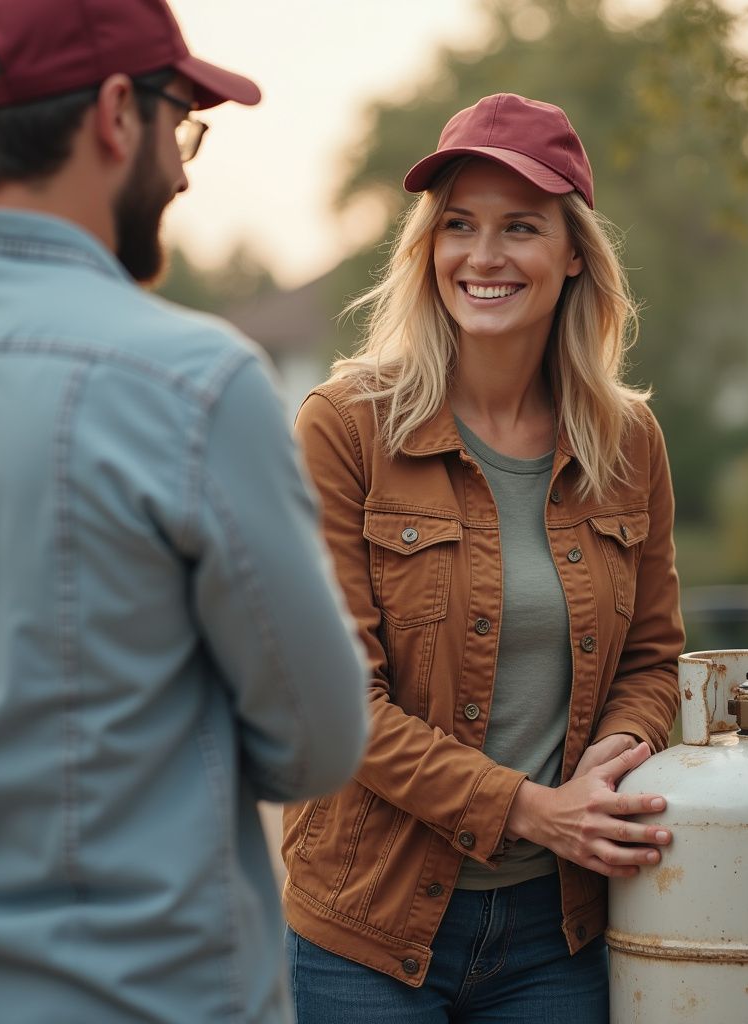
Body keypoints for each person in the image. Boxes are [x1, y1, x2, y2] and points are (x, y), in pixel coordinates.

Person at [0, 1, 369, 1021]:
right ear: (116, 114)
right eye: (180, 122)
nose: (186, 168)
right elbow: (318, 745)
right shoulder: (190, 382)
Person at [283, 93, 685, 1023]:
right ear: (428, 246)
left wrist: (623, 750)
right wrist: (534, 809)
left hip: (561, 931)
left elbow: (653, 658)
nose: (484, 256)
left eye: (521, 227)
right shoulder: (347, 430)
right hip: (368, 928)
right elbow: (340, 703)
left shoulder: (629, 442)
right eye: (458, 224)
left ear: (574, 251)